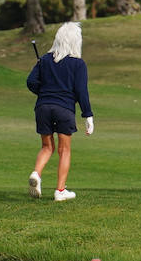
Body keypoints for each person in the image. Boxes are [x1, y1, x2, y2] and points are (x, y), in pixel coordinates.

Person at [26, 22, 93, 202]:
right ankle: (60, 190)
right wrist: (88, 115)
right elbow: (81, 91)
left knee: (47, 147)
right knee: (64, 150)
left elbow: (31, 82)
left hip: (42, 107)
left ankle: (36, 173)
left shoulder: (45, 60)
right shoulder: (78, 64)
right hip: (64, 109)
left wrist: (46, 91)